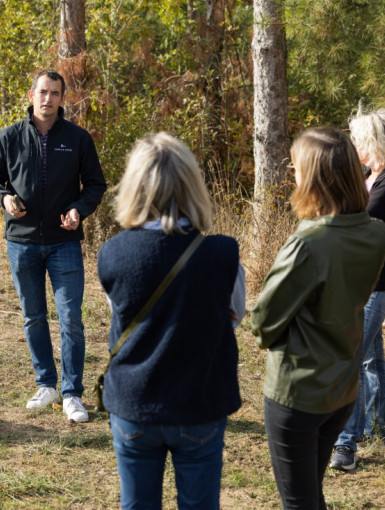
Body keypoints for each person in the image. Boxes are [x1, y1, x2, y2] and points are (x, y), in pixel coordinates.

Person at [96, 133, 243, 509]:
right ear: (192, 184)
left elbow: (122, 313)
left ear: (133, 186)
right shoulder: (223, 254)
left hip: (134, 402)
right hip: (200, 401)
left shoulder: (112, 254)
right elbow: (235, 316)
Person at [250, 127, 385, 510]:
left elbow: (262, 322)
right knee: (311, 492)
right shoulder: (376, 233)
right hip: (342, 388)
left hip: (298, 391)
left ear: (313, 178)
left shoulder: (309, 243)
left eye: (295, 168)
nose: (291, 175)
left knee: (299, 501)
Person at [0, 69, 107, 422]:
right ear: (31, 94)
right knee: (33, 316)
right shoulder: (9, 137)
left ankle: (71, 394)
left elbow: (96, 185)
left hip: (64, 242)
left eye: (54, 93)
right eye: (42, 92)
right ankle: (46, 384)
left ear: (62, 98)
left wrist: (79, 210)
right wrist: (3, 198)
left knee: (71, 319)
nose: (47, 98)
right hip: (21, 243)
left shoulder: (78, 139)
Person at [329, 108, 385, 471]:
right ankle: (379, 427)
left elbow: (359, 220)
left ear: (377, 142)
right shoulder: (367, 174)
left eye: (360, 140)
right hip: (362, 281)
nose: (355, 145)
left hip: (378, 284)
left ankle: (346, 444)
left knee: (353, 355)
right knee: (371, 357)